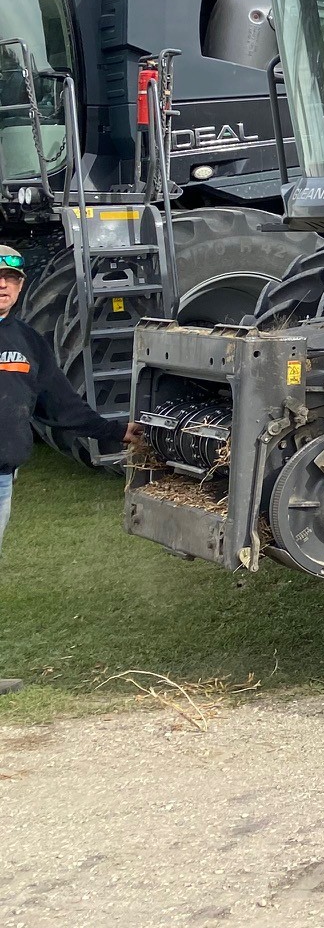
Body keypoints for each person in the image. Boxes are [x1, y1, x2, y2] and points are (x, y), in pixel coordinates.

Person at [0, 242, 133, 697]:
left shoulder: (27, 342)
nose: (3, 285)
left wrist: (114, 432)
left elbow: (60, 403)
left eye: (11, 279)